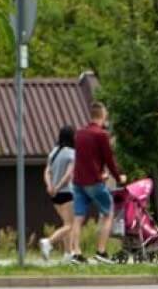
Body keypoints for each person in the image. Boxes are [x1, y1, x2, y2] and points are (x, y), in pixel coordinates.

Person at [69, 101, 123, 265]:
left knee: (78, 217)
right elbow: (109, 159)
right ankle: (101, 251)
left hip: (78, 182)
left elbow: (85, 158)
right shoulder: (101, 135)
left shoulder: (79, 133)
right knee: (108, 213)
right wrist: (118, 177)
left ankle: (76, 254)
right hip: (93, 182)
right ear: (102, 115)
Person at [38, 126, 75, 261]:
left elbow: (47, 171)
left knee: (66, 224)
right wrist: (58, 187)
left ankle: (68, 254)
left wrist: (50, 186)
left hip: (54, 195)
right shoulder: (72, 153)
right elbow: (69, 174)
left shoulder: (53, 152)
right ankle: (48, 242)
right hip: (67, 192)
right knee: (70, 225)